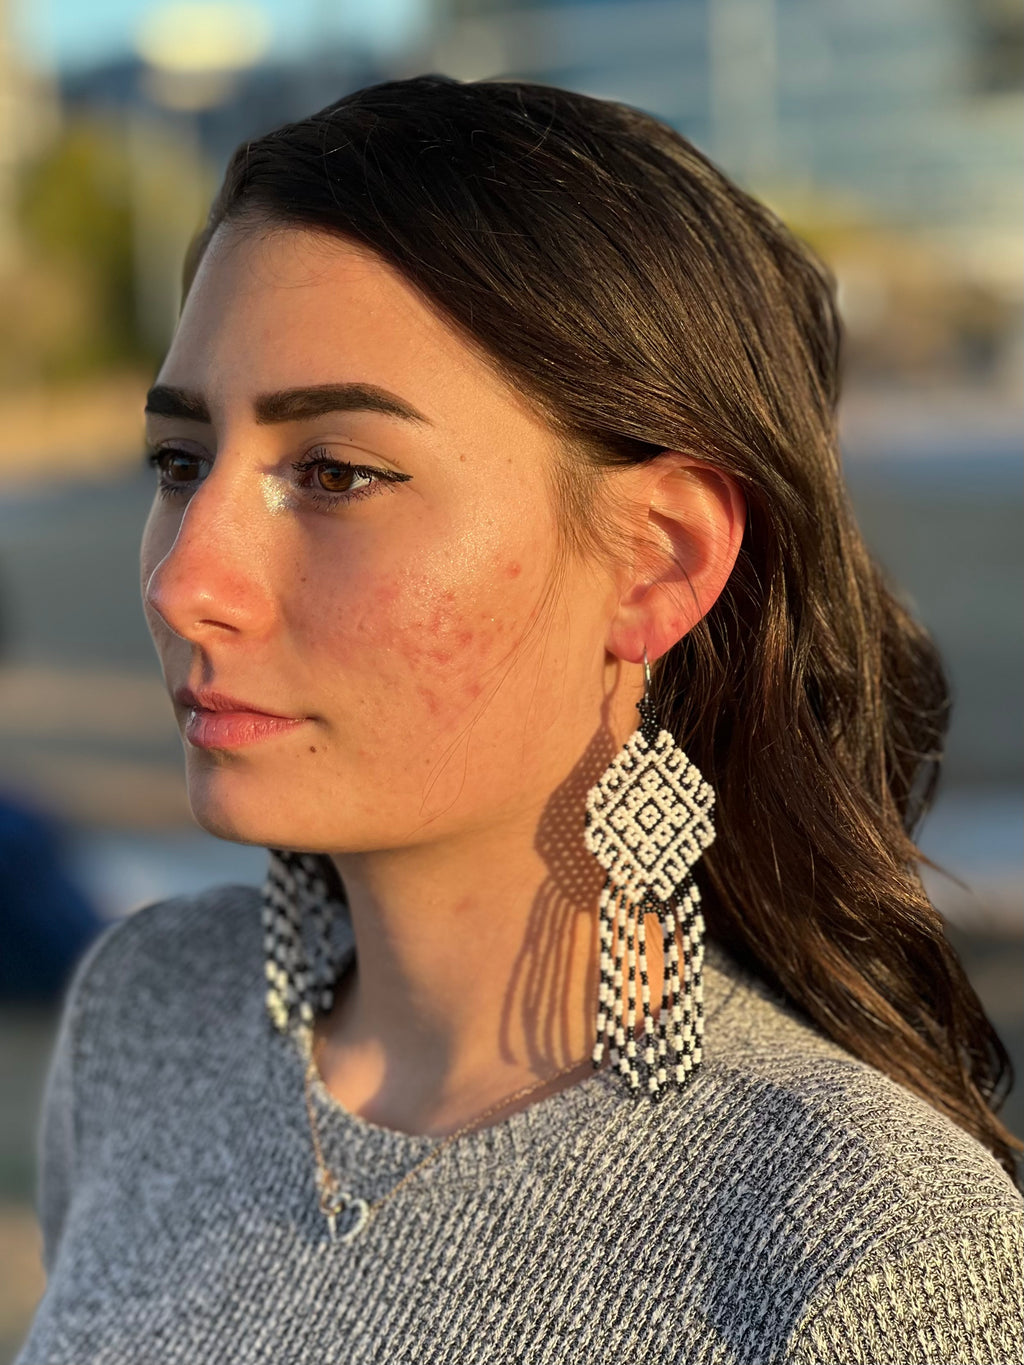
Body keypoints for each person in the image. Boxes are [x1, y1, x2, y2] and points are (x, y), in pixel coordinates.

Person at [16, 75, 1022, 1364]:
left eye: (337, 473)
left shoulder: (861, 1247)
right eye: (179, 461)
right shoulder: (146, 1019)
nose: (183, 581)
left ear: (659, 560)